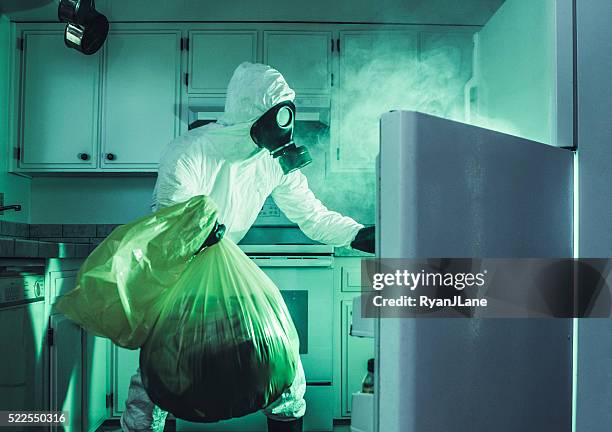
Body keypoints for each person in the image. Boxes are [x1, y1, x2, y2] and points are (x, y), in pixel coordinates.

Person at [120, 62, 374, 432]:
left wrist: (359, 234)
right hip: (179, 272)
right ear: (253, 112)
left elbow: (313, 217)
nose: (285, 125)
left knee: (283, 365)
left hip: (225, 266)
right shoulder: (189, 152)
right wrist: (196, 228)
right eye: (279, 113)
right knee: (158, 375)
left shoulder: (272, 162)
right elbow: (167, 218)